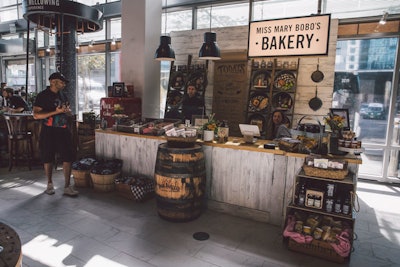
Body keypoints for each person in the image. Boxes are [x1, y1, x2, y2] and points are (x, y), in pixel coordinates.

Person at [33, 72, 78, 196]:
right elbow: (36, 115)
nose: (64, 84)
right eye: (61, 82)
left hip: (63, 129)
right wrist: (54, 112)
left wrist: (67, 112)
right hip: (48, 130)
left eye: (64, 82)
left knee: (68, 157)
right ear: (52, 81)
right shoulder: (42, 96)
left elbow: (67, 112)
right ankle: (49, 184)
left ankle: (67, 186)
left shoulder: (64, 95)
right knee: (48, 157)